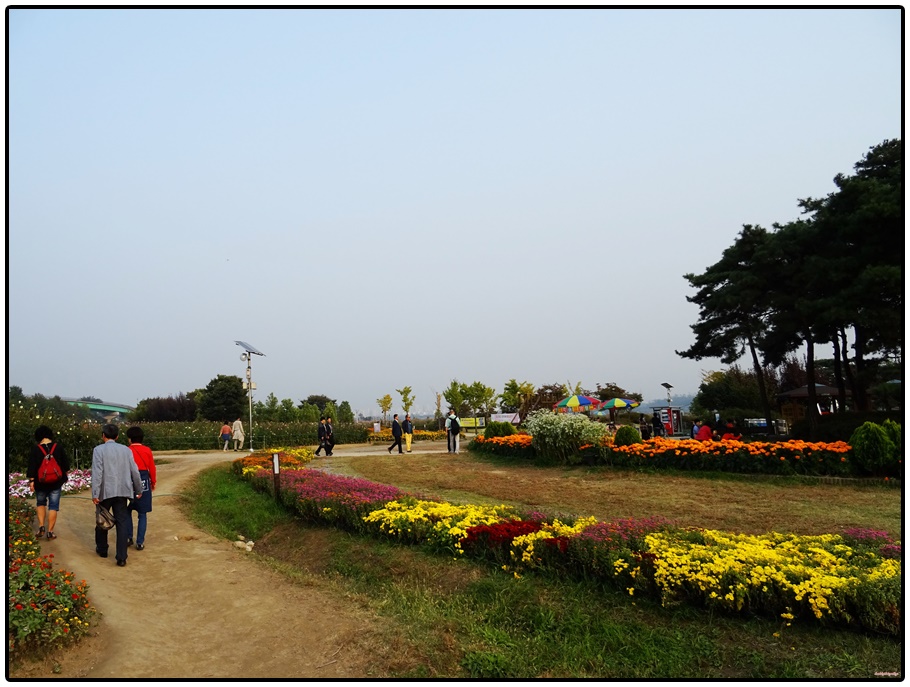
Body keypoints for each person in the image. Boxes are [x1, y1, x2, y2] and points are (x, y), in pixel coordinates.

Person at [92, 424, 143, 567]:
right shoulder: (126, 450)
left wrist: (95, 493)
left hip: (105, 491)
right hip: (123, 491)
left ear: (103, 435)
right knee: (122, 522)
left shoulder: (98, 450)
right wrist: (138, 489)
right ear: (117, 436)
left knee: (103, 518)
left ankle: (102, 549)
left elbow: (97, 473)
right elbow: (135, 471)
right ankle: (121, 557)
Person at [26, 425, 70, 540]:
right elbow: (66, 465)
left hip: (40, 483)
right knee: (53, 506)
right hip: (56, 483)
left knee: (40, 503)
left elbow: (32, 466)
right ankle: (50, 532)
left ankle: (41, 526)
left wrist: (31, 481)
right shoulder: (58, 447)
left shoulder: (36, 449)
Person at [125, 426, 156, 551]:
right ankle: (140, 542)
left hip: (129, 482)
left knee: (127, 512)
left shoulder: (126, 451)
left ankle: (128, 537)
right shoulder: (147, 450)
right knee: (142, 514)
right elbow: (152, 468)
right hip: (144, 482)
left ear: (130, 439)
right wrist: (153, 482)